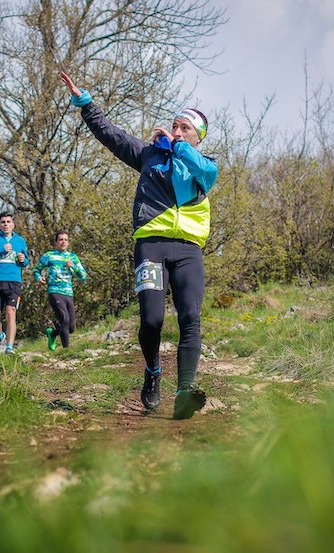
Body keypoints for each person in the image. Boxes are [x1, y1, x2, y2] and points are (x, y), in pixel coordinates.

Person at [60, 71, 218, 420]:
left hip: (188, 250)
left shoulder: (206, 166)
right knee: (152, 320)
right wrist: (86, 104)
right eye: (174, 125)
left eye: (184, 128)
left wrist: (176, 146)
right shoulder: (149, 155)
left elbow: (198, 166)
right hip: (150, 246)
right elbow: (111, 136)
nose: (176, 131)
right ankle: (153, 374)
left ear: (197, 137)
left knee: (191, 316)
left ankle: (185, 391)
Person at [0, 212, 30, 354]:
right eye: (3, 222)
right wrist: (1, 249)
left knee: (10, 312)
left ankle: (9, 347)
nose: (6, 224)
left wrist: (23, 260)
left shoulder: (20, 240)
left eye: (8, 222)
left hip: (14, 282)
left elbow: (25, 261)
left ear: (13, 225)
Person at [33, 230, 89, 351]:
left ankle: (52, 334)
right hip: (54, 291)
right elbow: (36, 269)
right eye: (61, 240)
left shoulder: (73, 257)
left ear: (68, 242)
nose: (63, 242)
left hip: (68, 293)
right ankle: (66, 350)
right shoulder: (49, 255)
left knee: (71, 327)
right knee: (65, 319)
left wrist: (73, 267)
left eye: (65, 240)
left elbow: (83, 276)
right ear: (56, 242)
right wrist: (39, 277)